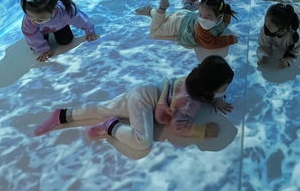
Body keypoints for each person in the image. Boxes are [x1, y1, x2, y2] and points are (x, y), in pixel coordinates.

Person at [33, 56, 235, 149]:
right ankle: (111, 126)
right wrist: (201, 131)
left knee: (104, 108)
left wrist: (217, 99)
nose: (225, 91)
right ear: (208, 90)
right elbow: (177, 126)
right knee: (143, 142)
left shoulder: (192, 78)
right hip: (143, 102)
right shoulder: (188, 103)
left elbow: (208, 88)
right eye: (224, 88)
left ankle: (63, 114)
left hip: (143, 89)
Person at [136, 0, 238, 50]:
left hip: (185, 14)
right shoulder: (203, 26)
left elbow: (222, 23)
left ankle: (152, 12)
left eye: (207, 16)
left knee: (164, 20)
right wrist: (231, 39)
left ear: (219, 17)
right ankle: (158, 9)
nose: (202, 18)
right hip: (178, 24)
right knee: (154, 33)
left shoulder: (224, 15)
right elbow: (210, 43)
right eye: (200, 14)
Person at [20, 0, 98, 62]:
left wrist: (90, 32)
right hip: (41, 30)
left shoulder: (65, 12)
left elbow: (82, 20)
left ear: (54, 9)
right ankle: (43, 40)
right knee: (34, 47)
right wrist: (43, 50)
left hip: (60, 25)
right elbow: (31, 35)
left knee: (66, 41)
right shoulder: (29, 20)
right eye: (30, 16)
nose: (34, 21)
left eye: (40, 19)